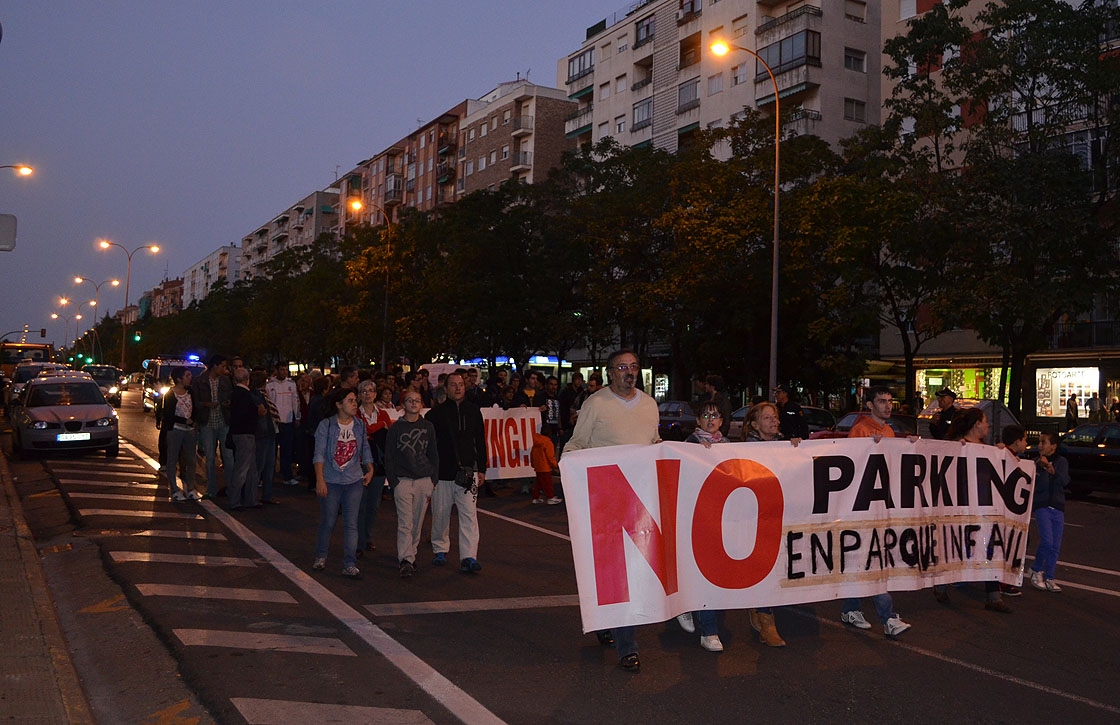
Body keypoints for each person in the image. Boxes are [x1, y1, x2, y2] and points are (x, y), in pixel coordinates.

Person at [564, 350, 660, 673]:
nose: (629, 373)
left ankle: (609, 624)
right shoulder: (596, 404)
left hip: (640, 503)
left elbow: (655, 444)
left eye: (633, 367)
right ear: (609, 373)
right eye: (622, 367)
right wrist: (572, 470)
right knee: (617, 574)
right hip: (606, 500)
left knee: (632, 573)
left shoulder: (649, 405)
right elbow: (576, 445)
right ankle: (627, 647)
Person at [840, 386, 914, 637]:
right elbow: (851, 465)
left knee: (863, 560)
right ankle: (888, 617)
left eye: (890, 401)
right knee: (874, 561)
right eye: (882, 401)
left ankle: (850, 608)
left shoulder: (889, 430)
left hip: (878, 506)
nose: (888, 406)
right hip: (863, 507)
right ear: (870, 405)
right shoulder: (860, 430)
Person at [934, 408, 1012, 613]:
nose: (987, 426)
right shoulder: (957, 446)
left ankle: (993, 596)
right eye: (985, 421)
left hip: (984, 507)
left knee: (990, 548)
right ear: (977, 423)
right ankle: (941, 584)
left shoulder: (986, 449)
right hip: (960, 508)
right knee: (955, 546)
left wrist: (1002, 454)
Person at [741, 401, 800, 647]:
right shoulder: (745, 450)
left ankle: (759, 610)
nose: (774, 421)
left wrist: (796, 451)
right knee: (762, 564)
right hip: (755, 518)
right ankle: (765, 619)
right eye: (767, 418)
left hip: (779, 515)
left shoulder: (785, 445)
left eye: (775, 417)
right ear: (754, 425)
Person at [678, 400, 729, 652]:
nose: (711, 419)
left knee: (716, 576)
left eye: (716, 415)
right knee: (705, 575)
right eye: (705, 415)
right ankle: (709, 631)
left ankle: (685, 604)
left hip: (722, 519)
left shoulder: (729, 446)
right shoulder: (689, 445)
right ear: (698, 421)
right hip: (696, 520)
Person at [427, 372, 488, 573]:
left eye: (461, 384)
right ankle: (440, 549)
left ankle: (469, 556)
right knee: (441, 514)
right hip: (442, 474)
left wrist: (481, 469)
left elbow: (480, 441)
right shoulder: (435, 415)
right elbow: (429, 446)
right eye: (453, 384)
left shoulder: (473, 411)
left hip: (468, 472)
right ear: (446, 388)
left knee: (469, 515)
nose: (458, 388)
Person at [313, 387, 374, 579]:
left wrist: (370, 468)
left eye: (355, 400)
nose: (355, 404)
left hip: (353, 480)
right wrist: (320, 479)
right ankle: (321, 555)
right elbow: (319, 454)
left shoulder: (359, 425)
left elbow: (364, 448)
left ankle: (349, 563)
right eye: (350, 400)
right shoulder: (327, 425)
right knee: (328, 521)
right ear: (339, 404)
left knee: (351, 523)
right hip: (331, 480)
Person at [384, 390, 439, 578]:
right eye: (409, 400)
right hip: (403, 481)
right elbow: (389, 456)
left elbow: (433, 453)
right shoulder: (395, 429)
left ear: (421, 404)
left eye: (417, 400)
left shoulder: (428, 427)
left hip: (424, 479)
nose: (414, 403)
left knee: (417, 522)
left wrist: (434, 478)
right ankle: (406, 559)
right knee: (405, 522)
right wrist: (394, 481)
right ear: (403, 405)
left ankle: (411, 555)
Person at [355, 380, 393, 557]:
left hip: (379, 463)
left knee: (374, 505)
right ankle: (358, 541)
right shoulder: (355, 413)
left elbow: (388, 434)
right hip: (360, 463)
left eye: (371, 391)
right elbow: (363, 432)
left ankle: (367, 537)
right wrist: (379, 428)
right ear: (359, 394)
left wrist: (376, 431)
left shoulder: (383, 413)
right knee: (360, 504)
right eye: (364, 391)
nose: (368, 394)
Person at [1029, 430, 1067, 593]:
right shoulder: (1034, 463)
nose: (1040, 445)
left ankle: (1050, 576)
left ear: (1053, 446)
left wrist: (1052, 470)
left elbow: (1064, 481)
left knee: (1055, 546)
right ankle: (1036, 570)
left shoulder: (1061, 462)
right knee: (1047, 541)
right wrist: (1040, 466)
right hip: (1042, 505)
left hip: (1057, 507)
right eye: (1039, 442)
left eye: (1044, 442)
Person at [191, 354, 233, 501]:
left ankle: (231, 488)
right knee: (209, 457)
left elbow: (231, 398)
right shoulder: (200, 381)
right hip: (207, 422)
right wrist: (206, 404)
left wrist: (227, 403)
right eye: (222, 366)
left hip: (223, 420)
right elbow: (195, 401)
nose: (224, 369)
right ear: (215, 366)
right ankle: (211, 489)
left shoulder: (226, 381)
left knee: (228, 456)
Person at [159, 367, 200, 502]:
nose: (190, 377)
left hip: (189, 430)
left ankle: (191, 488)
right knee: (173, 459)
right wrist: (184, 420)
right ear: (179, 379)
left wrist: (193, 420)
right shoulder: (171, 394)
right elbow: (169, 415)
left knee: (191, 460)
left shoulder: (190, 392)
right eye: (187, 375)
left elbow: (195, 408)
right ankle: (175, 489)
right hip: (175, 430)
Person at [996, 424, 1028, 597]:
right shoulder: (1004, 455)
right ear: (1017, 441)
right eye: (1024, 440)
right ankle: (1002, 581)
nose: (1026, 444)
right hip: (1004, 513)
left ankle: (1005, 580)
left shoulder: (1012, 457)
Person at [227, 367, 260, 511]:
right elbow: (247, 415)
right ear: (247, 379)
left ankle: (250, 499)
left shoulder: (235, 393)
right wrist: (258, 411)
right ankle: (235, 501)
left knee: (251, 468)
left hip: (240, 433)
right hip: (245, 434)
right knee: (243, 468)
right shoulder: (246, 395)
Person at [267, 363, 300, 486]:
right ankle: (268, 477)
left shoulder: (291, 384)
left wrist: (297, 417)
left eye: (286, 370)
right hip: (275, 422)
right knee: (272, 452)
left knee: (287, 451)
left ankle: (287, 476)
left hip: (287, 422)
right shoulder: (270, 385)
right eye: (281, 369)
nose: (284, 372)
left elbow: (295, 401)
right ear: (277, 370)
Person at [250, 369, 280, 505]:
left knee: (268, 465)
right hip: (262, 433)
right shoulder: (256, 395)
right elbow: (262, 412)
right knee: (260, 465)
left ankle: (266, 495)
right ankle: (253, 496)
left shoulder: (262, 395)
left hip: (269, 431)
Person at [529, 428, 561, 505]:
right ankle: (550, 497)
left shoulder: (536, 442)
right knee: (548, 483)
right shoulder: (547, 442)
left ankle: (536, 497)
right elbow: (550, 456)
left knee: (539, 483)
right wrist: (555, 466)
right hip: (545, 467)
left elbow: (532, 454)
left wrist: (533, 464)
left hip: (538, 466)